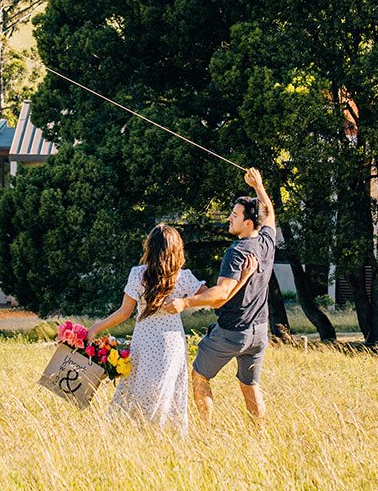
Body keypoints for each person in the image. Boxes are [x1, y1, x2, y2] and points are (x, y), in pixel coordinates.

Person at [173, 167, 278, 423]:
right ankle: (260, 435)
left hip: (232, 331)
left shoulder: (237, 252)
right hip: (260, 331)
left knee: (199, 375)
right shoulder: (266, 242)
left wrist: (185, 302)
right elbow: (270, 215)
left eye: (235, 215)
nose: (229, 218)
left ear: (248, 222)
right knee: (250, 385)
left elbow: (221, 294)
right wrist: (258, 186)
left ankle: (206, 432)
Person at [85, 223, 209, 432]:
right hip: (171, 344)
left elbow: (124, 312)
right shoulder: (182, 276)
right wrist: (186, 303)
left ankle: (135, 433)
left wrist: (96, 327)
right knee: (166, 392)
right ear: (176, 249)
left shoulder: (138, 274)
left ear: (150, 248)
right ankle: (162, 435)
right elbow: (210, 296)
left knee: (138, 389)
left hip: (144, 342)